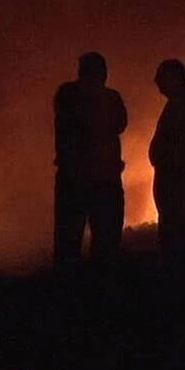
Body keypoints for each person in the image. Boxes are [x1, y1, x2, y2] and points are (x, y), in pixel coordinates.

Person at [53, 52, 128, 269]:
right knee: (104, 239)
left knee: (70, 239)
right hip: (99, 178)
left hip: (77, 178)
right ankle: (98, 288)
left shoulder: (67, 95)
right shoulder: (106, 97)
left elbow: (117, 124)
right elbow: (119, 124)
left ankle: (71, 289)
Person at [149, 59, 185, 266]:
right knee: (175, 223)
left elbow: (183, 144)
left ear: (174, 78)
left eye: (162, 78)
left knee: (177, 227)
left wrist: (165, 159)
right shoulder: (180, 103)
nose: (157, 83)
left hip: (177, 177)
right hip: (173, 175)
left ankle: (179, 271)